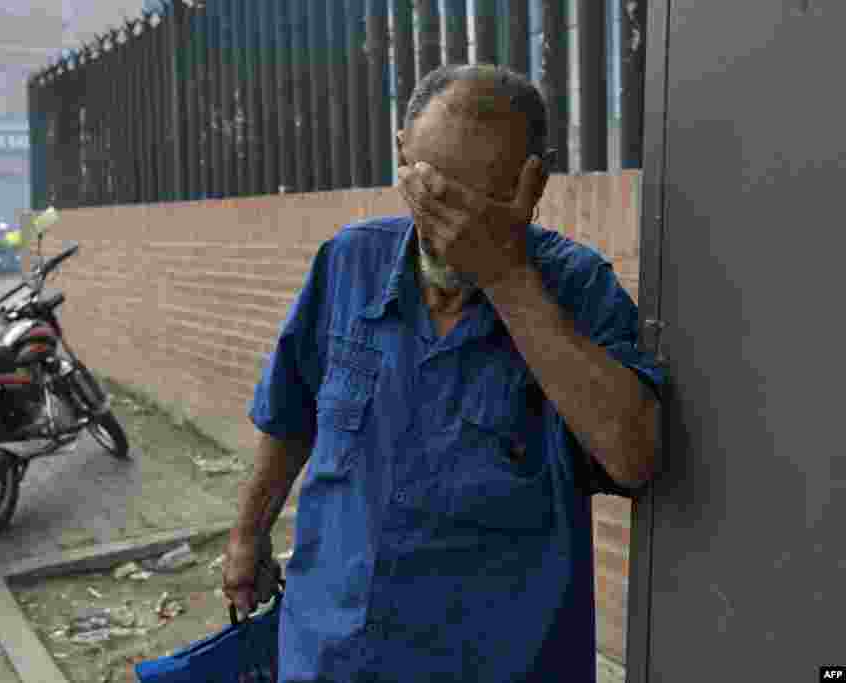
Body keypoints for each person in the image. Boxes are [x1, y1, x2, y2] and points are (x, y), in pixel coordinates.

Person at [222, 63, 666, 683]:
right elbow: (291, 413)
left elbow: (634, 455)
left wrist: (506, 277)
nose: (450, 223)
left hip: (496, 660)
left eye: (478, 199)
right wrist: (248, 535)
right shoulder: (351, 261)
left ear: (533, 180)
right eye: (431, 188)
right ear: (402, 155)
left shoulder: (577, 287)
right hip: (332, 650)